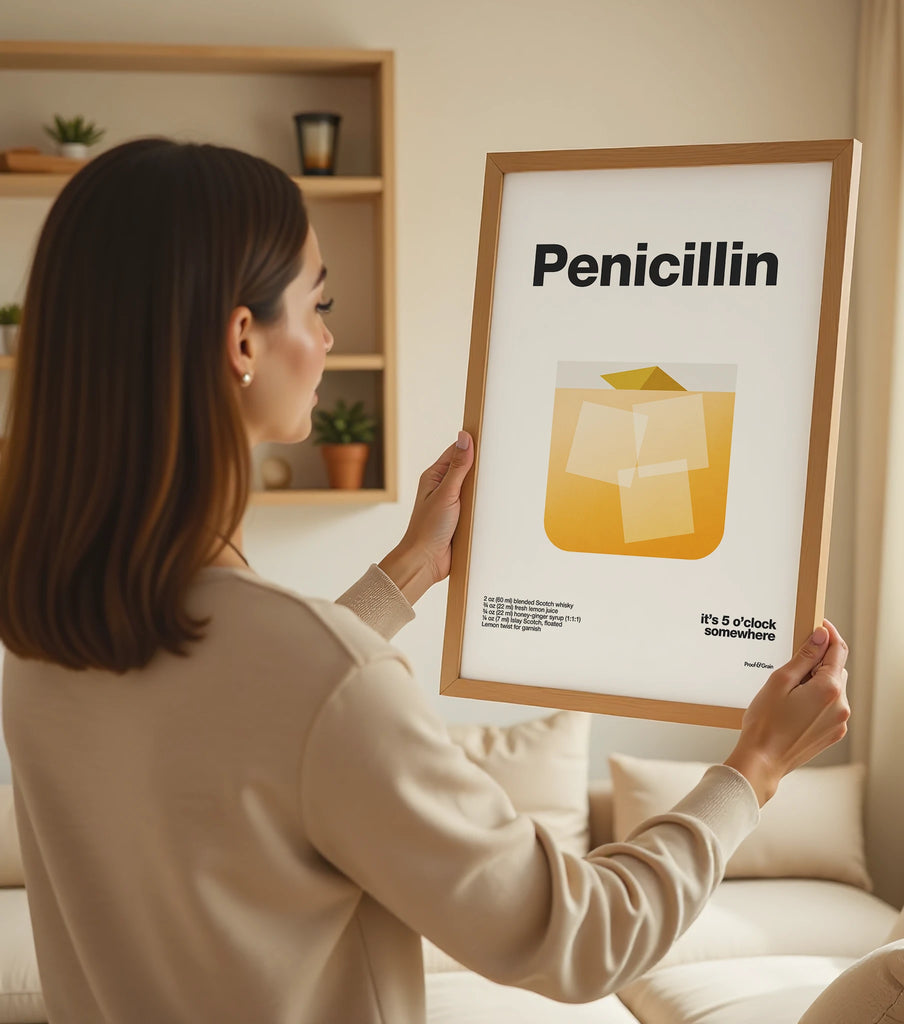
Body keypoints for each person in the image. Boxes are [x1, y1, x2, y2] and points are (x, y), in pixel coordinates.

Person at [0, 138, 850, 1024]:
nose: (328, 337)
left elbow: (237, 712)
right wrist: (754, 767)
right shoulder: (317, 679)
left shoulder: (45, 634)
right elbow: (580, 938)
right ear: (242, 339)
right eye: (316, 303)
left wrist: (407, 569)